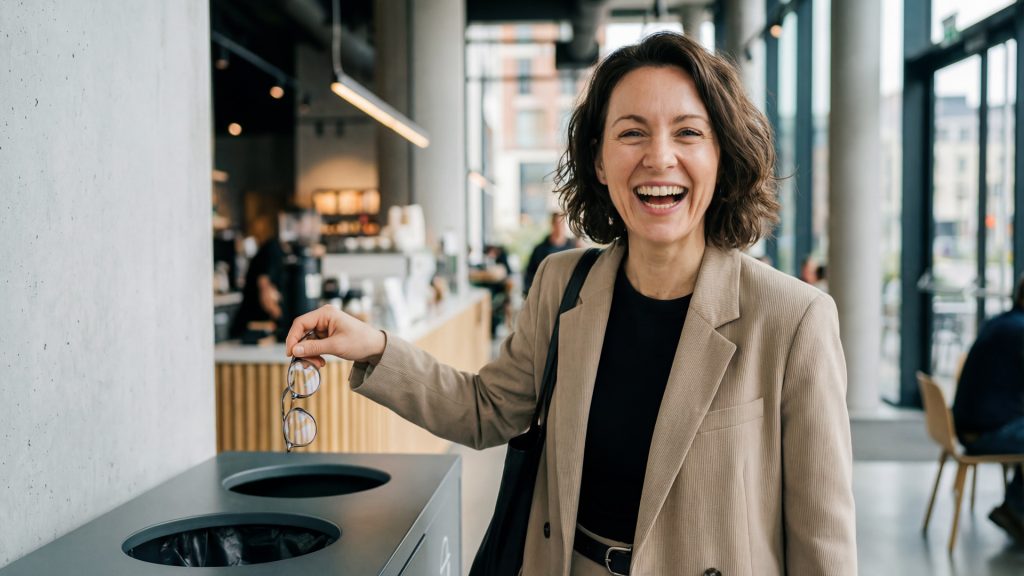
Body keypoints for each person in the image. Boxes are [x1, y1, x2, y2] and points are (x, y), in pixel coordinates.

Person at [285, 32, 856, 575]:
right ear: (600, 161)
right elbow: (487, 410)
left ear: (722, 156)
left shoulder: (793, 319)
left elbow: (822, 540)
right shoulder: (563, 285)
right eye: (632, 133)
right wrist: (375, 348)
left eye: (688, 132)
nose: (659, 157)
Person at [952, 275, 1024, 544]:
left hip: (970, 425)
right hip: (983, 433)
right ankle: (1015, 508)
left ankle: (1015, 508)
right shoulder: (1019, 331)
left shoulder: (1000, 322)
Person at [230, 214, 286, 338]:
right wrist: (284, 321)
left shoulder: (273, 249)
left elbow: (270, 291)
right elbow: (266, 290)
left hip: (253, 327)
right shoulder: (272, 249)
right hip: (249, 329)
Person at [523, 212, 576, 295]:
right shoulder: (540, 249)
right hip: (545, 293)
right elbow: (530, 273)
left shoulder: (574, 248)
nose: (560, 227)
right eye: (557, 224)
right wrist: (529, 292)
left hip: (568, 293)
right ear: (552, 224)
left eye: (562, 224)